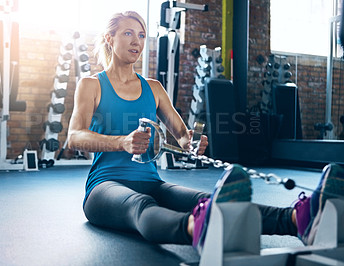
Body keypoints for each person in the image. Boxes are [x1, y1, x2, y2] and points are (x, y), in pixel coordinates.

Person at [67, 11, 344, 253]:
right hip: (104, 187)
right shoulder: (91, 85)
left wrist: (191, 141)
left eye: (141, 34)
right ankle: (196, 227)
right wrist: (122, 142)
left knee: (208, 201)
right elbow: (75, 137)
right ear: (109, 38)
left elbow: (182, 133)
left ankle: (299, 219)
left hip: (152, 181)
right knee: (140, 206)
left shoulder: (153, 88)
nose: (136, 41)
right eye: (128, 33)